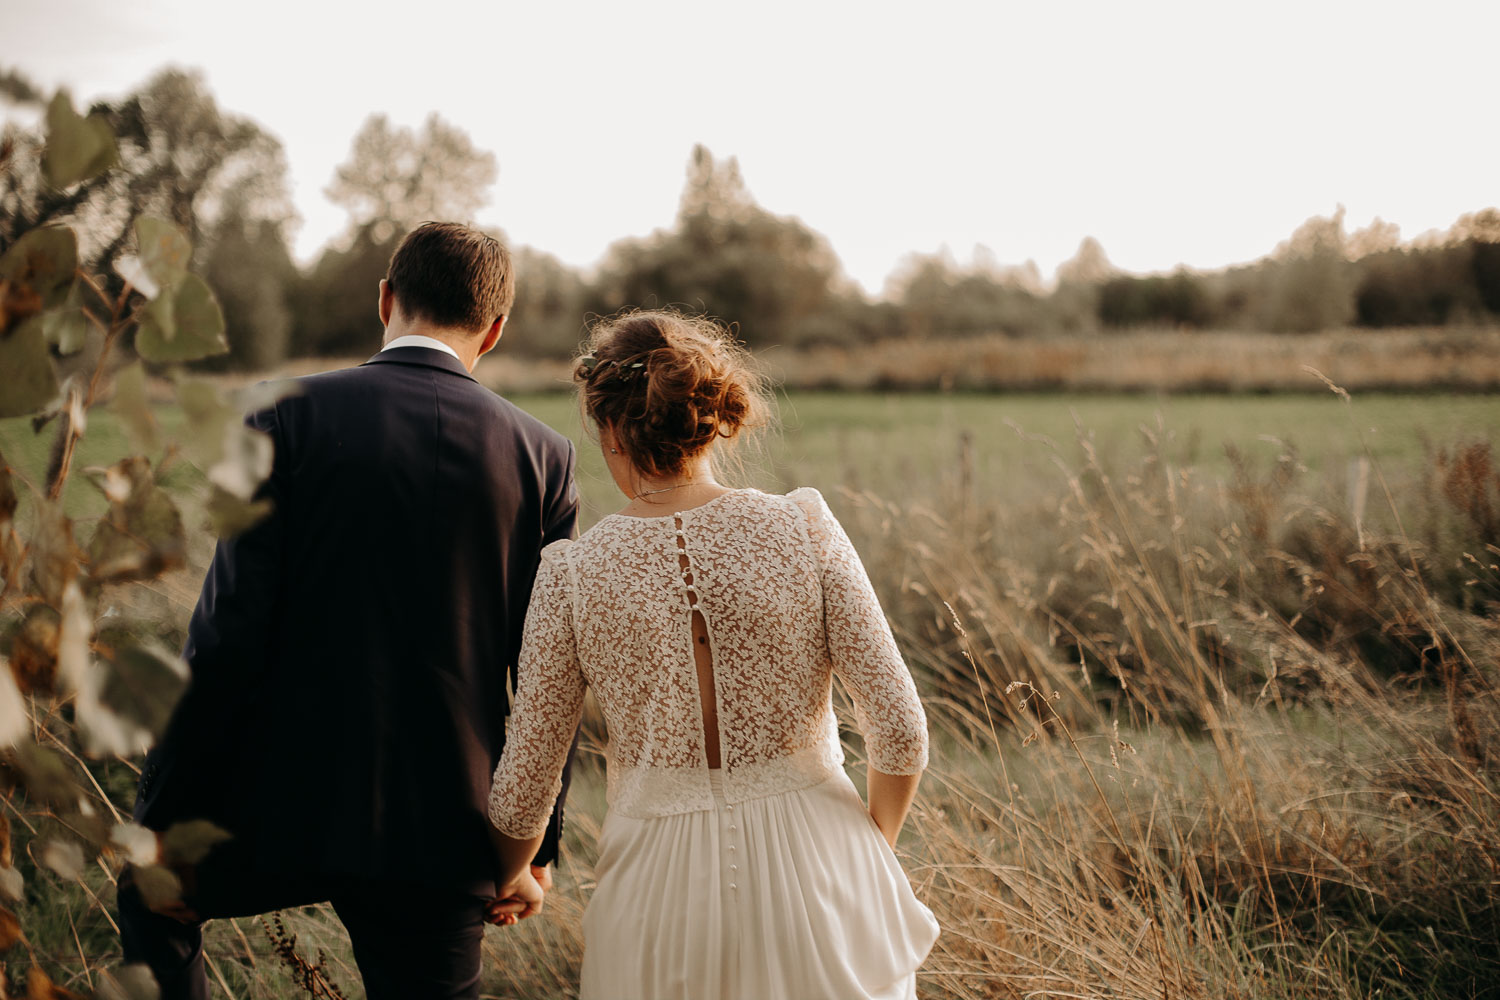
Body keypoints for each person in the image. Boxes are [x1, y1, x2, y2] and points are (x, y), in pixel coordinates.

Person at [118, 222, 580, 1000]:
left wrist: (162, 808)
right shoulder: (545, 456)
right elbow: (549, 677)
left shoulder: (282, 415)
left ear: (386, 298)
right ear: (494, 331)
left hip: (279, 809)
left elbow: (227, 637)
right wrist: (531, 853)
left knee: (149, 899)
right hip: (447, 831)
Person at [485, 310, 940, 999]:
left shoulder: (572, 573)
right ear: (708, 417)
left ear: (610, 429)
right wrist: (869, 848)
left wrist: (515, 872)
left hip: (658, 894)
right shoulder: (802, 526)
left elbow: (525, 791)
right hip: (821, 868)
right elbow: (902, 730)